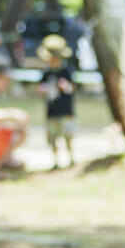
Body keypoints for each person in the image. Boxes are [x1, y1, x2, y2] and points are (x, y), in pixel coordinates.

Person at [37, 33, 77, 169]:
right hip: (52, 111)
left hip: (66, 110)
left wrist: (65, 86)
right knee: (53, 137)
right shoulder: (46, 73)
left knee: (68, 135)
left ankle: (71, 158)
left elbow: (74, 88)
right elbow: (40, 88)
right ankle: (55, 161)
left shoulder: (67, 71)